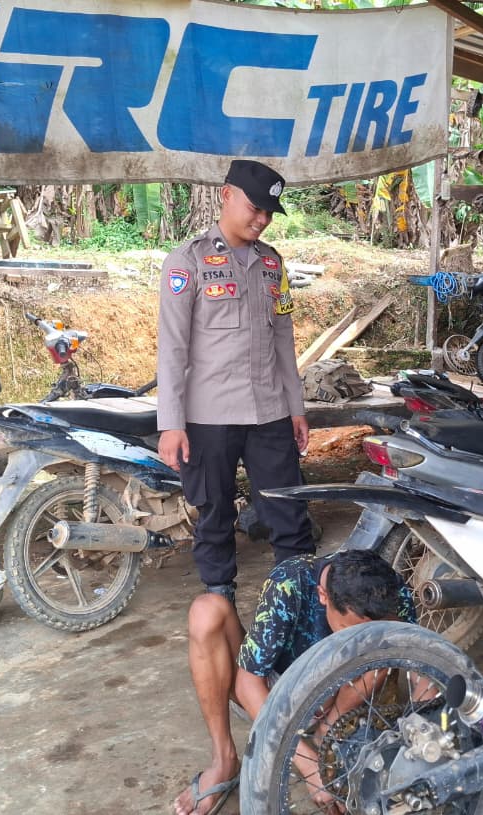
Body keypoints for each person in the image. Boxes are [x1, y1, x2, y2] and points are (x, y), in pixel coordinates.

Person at [156, 159, 314, 604]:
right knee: (214, 516)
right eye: (255, 208)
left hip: (269, 412)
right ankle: (220, 603)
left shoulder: (272, 263)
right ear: (226, 195)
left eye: (269, 213)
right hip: (210, 416)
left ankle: (296, 603)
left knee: (289, 511)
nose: (262, 220)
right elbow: (172, 348)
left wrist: (296, 408)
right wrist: (171, 424)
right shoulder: (187, 262)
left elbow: (283, 339)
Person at [172, 549, 415, 815]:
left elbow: (423, 666)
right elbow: (247, 685)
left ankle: (329, 732)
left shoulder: (389, 589)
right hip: (278, 692)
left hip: (343, 692)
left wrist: (426, 738)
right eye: (348, 628)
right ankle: (224, 760)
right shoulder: (288, 582)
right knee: (206, 611)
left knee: (387, 638)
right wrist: (309, 766)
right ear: (323, 595)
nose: (358, 639)